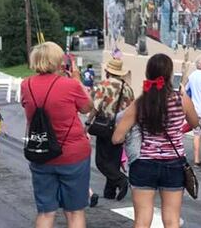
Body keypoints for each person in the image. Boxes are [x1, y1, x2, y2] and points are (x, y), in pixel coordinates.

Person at [112, 53, 199, 228]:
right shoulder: (181, 99)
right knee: (172, 219)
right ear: (169, 74)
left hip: (144, 163)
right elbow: (195, 123)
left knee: (142, 219)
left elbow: (117, 138)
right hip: (174, 163)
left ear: (148, 73)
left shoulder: (140, 103)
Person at [21, 42, 92, 228]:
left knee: (46, 212)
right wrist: (77, 80)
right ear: (58, 61)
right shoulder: (70, 85)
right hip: (72, 153)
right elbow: (87, 108)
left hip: (41, 151)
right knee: (74, 212)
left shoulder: (26, 85)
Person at [89, 58, 135, 201]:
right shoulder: (126, 87)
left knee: (101, 161)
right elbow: (131, 107)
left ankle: (121, 180)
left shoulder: (103, 85)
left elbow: (95, 107)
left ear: (108, 71)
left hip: (104, 126)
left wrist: (88, 122)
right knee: (114, 159)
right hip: (121, 127)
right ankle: (110, 192)